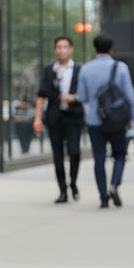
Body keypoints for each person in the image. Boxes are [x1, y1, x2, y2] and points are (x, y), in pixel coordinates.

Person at [75, 35, 134, 208]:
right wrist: (132, 117)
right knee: (120, 155)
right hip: (117, 119)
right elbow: (129, 95)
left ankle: (103, 196)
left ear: (95, 49)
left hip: (95, 120)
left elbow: (82, 97)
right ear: (111, 50)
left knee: (99, 158)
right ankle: (114, 184)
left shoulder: (85, 69)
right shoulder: (121, 68)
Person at [34, 35, 85, 203]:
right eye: (58, 47)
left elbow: (86, 93)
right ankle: (63, 190)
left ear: (71, 49)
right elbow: (41, 95)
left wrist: (74, 98)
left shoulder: (79, 70)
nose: (62, 51)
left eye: (65, 47)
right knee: (58, 155)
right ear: (55, 50)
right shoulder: (49, 70)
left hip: (74, 116)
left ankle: (73, 182)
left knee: (74, 151)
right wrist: (37, 118)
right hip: (55, 117)